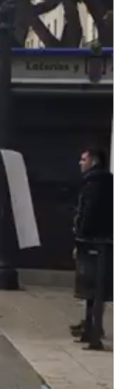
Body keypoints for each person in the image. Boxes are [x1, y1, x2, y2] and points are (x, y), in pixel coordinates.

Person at [71, 147, 112, 350]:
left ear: (94, 161)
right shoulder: (105, 183)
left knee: (91, 287)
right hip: (104, 242)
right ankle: (91, 327)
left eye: (83, 159)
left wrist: (80, 240)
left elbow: (87, 214)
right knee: (96, 289)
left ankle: (93, 330)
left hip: (92, 243)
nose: (80, 162)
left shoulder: (92, 185)